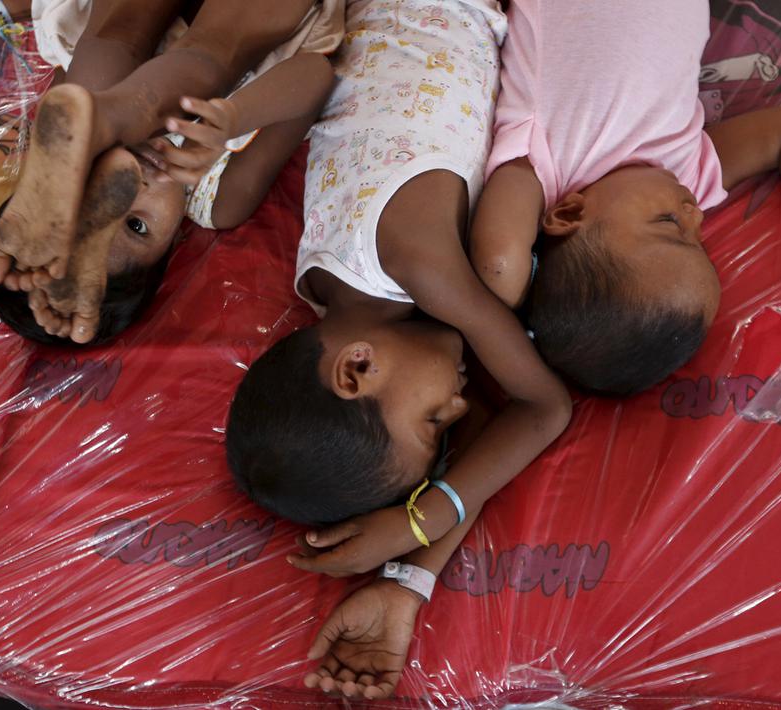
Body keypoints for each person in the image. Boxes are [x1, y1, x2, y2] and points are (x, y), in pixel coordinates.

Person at [225, 0, 571, 697]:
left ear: (356, 367)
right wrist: (407, 577)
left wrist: (422, 517)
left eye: (432, 420)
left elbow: (541, 406)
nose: (461, 403)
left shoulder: (423, 267)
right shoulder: (328, 286)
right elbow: (476, 436)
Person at [470, 0, 781, 396]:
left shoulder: (545, 166)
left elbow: (499, 265)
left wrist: (513, 324)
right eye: (699, 239)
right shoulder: (688, 178)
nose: (695, 214)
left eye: (669, 226)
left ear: (568, 214)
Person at [0, 0, 339, 345]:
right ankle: (105, 117)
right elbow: (316, 76)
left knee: (109, 47)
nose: (133, 184)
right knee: (214, 54)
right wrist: (234, 118)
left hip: (129, 36)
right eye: (136, 225)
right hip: (241, 26)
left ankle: (103, 120)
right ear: (172, 246)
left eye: (92, 199)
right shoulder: (218, 197)